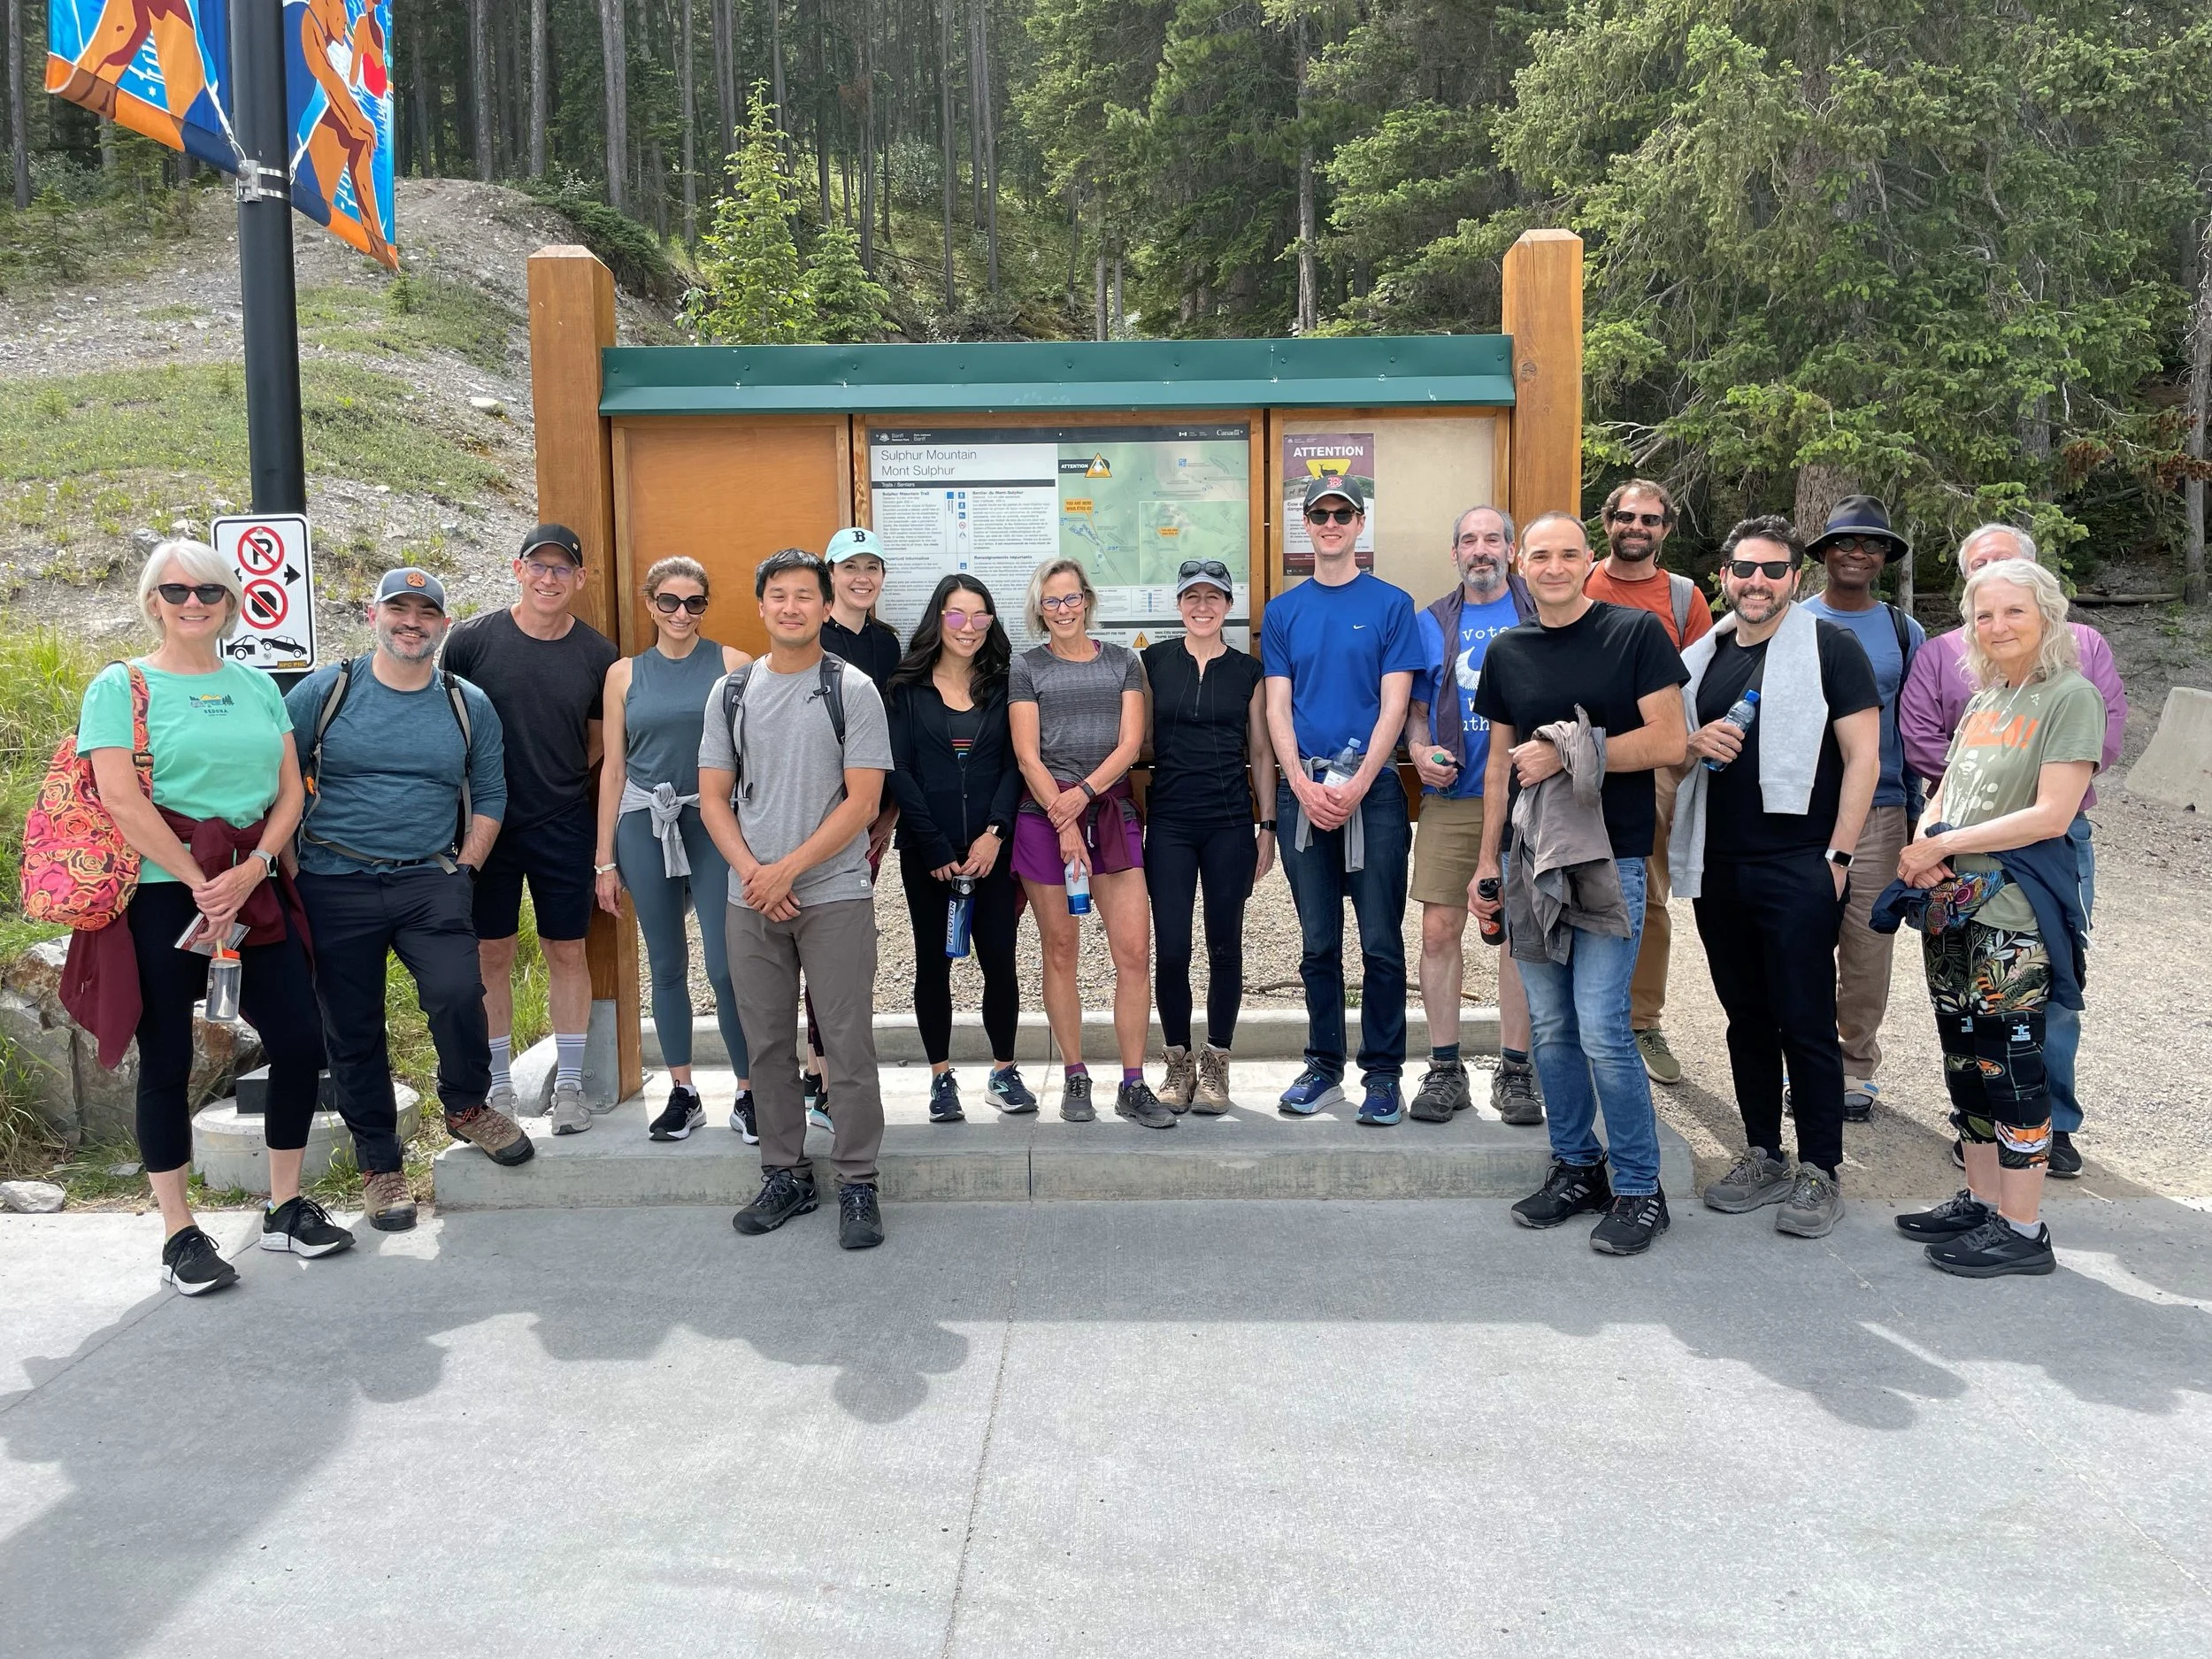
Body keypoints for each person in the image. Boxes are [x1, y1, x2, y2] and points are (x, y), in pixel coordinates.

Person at [65, 541, 344, 1294]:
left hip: (252, 888)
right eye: (178, 590)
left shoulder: (256, 686)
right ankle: (179, 1232)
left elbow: (292, 791)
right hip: (163, 896)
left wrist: (250, 869)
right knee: (166, 1061)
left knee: (297, 1040)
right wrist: (199, 881)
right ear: (154, 600)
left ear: (230, 605)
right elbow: (121, 799)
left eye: (211, 592)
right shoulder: (120, 686)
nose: (195, 602)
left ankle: (284, 1208)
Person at [288, 568, 534, 1232]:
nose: (412, 621)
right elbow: (277, 773)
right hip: (334, 879)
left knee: (459, 991)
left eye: (427, 612)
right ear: (374, 615)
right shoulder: (328, 689)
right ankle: (380, 1165)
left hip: (429, 878)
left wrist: (466, 866)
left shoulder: (465, 702)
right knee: (353, 1023)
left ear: (443, 626)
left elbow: (490, 791)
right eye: (400, 608)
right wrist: (285, 865)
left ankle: (466, 1106)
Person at [1471, 511, 1689, 1256]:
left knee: (1601, 1027)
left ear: (1587, 559)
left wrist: (1570, 751)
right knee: (1554, 1028)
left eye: (1568, 554)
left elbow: (1670, 739)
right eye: (1541, 555)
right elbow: (1500, 765)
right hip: (1530, 861)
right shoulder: (1508, 650)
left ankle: (1639, 1186)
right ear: (1519, 566)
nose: (1555, 566)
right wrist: (1485, 861)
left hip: (1612, 856)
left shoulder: (1634, 635)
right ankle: (1576, 1166)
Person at [1889, 558, 2101, 1278]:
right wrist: (1926, 841)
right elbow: (1946, 785)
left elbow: (2052, 812)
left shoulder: (2069, 697)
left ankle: (2023, 1226)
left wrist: (1942, 843)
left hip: (2013, 915)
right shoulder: (1986, 700)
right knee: (1964, 1062)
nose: (1998, 626)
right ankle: (1981, 1201)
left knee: (2010, 1067)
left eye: (2014, 611)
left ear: (2047, 614)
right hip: (1953, 908)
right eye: (1984, 614)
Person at [1671, 518, 1880, 1239]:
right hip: (1719, 861)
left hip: (1799, 861)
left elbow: (1863, 759)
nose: (1757, 581)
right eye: (1744, 568)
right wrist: (1691, 743)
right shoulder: (1701, 656)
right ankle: (1763, 1150)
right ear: (1722, 574)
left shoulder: (1831, 647)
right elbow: (1672, 749)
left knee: (1805, 1019)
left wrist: (1840, 856)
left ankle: (1821, 1167)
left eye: (1774, 569)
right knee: (1746, 1018)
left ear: (1796, 576)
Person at [700, 549, 895, 1249]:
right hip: (749, 895)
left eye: (803, 595)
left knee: (845, 1042)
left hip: (835, 892)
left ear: (823, 604)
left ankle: (859, 1178)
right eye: (777, 595)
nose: (790, 606)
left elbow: (864, 800)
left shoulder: (854, 688)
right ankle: (785, 1171)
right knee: (768, 1041)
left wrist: (788, 871)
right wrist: (757, 872)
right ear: (761, 606)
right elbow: (715, 798)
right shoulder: (731, 692)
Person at [440, 524, 619, 1137]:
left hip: (562, 820)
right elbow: (448, 724)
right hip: (486, 826)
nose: (549, 578)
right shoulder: (469, 641)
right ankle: (497, 1088)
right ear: (517, 570)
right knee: (492, 952)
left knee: (566, 950)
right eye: (538, 567)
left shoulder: (598, 654)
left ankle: (569, 1087)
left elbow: (596, 741)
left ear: (580, 578)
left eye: (561, 569)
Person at [1262, 474, 1425, 1125]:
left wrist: (1359, 783)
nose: (1331, 523)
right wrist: (1297, 781)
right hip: (1304, 791)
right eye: (1319, 513)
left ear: (1360, 524)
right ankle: (1323, 1064)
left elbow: (1394, 703)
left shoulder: (1391, 604)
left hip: (1375, 792)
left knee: (1382, 941)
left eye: (1342, 513)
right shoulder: (1284, 611)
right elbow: (1277, 705)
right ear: (1306, 524)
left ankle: (1383, 1073)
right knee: (1317, 942)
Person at [591, 557, 754, 1143]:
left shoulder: (735, 664)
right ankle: (683, 1090)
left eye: (693, 602)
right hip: (644, 820)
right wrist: (603, 858)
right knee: (665, 962)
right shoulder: (623, 675)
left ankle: (749, 1090)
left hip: (712, 821)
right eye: (668, 601)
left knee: (726, 963)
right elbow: (613, 768)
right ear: (649, 603)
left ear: (706, 606)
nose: (681, 613)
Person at [1008, 558, 1168, 1128]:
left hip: (1110, 814)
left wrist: (1083, 797)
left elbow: (1130, 744)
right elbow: (1028, 754)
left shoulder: (1124, 662)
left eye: (1071, 598)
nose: (1063, 610)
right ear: (1039, 609)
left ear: (1087, 600)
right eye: (1051, 602)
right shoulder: (1025, 666)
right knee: (1060, 949)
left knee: (1133, 952)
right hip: (1044, 818)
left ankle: (1132, 1081)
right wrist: (1063, 817)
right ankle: (1076, 1075)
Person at [1405, 505, 1541, 1124]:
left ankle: (1516, 1070)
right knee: (1439, 930)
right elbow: (1411, 705)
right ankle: (1444, 1067)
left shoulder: (1541, 612)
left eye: (1492, 538)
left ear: (1511, 550)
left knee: (1520, 935)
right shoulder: (1430, 621)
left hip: (1535, 798)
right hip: (1456, 797)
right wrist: (1416, 747)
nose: (1480, 549)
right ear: (1454, 552)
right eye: (1468, 540)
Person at [885, 575, 1037, 1123]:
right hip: (928, 853)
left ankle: (1003, 1071)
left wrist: (995, 833)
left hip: (991, 853)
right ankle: (940, 1077)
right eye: (955, 615)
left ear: (992, 622)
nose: (968, 627)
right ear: (937, 619)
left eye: (979, 616)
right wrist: (932, 844)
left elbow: (1013, 764)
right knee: (933, 962)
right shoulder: (905, 687)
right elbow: (898, 770)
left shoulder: (1004, 685)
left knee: (1000, 960)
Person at [1799, 495, 1928, 1122]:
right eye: (1845, 543)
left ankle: (1855, 1066)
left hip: (1880, 806)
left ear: (1884, 558)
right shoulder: (1791, 621)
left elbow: (1920, 723)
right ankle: (1807, 1060)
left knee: (1867, 940)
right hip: (1801, 805)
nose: (1857, 553)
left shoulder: (1906, 631)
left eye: (1871, 545)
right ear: (1823, 554)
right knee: (1799, 938)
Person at [1583, 478, 1711, 1090]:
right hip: (1574, 757)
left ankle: (1642, 1021)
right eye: (1627, 516)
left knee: (1646, 893)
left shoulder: (1684, 598)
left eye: (1651, 519)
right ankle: (1583, 1022)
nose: (1638, 527)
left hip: (1655, 763)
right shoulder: (1577, 581)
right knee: (1567, 880)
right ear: (1607, 522)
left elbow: (1701, 685)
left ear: (1665, 529)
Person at [1141, 559, 1277, 1111]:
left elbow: (1263, 752)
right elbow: (1136, 738)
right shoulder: (1151, 664)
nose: (1202, 606)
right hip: (1169, 822)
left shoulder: (1248, 672)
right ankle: (1177, 1063)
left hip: (1228, 825)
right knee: (1172, 948)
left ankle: (1217, 1062)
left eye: (1213, 597)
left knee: (1225, 945)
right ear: (1178, 604)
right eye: (1192, 596)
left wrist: (1265, 825)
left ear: (1228, 605)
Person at [803, 526, 903, 1130]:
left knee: (846, 948)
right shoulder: (811, 637)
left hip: (871, 820)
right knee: (824, 945)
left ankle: (829, 1069)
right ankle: (822, 1074)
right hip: (818, 819)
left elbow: (896, 739)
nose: (861, 577)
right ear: (830, 574)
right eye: (849, 567)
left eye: (871, 567)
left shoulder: (889, 647)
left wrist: (885, 816)